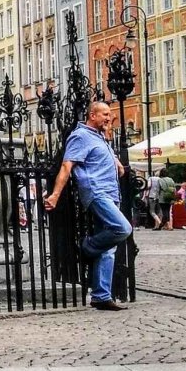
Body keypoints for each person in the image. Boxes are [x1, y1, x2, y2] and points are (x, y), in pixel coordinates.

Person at [43, 102, 130, 311]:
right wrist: (55, 194)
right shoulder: (80, 136)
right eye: (105, 114)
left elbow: (99, 155)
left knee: (109, 248)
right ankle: (87, 246)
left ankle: (101, 295)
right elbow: (67, 165)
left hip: (111, 192)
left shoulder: (98, 136)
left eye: (110, 114)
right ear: (92, 115)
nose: (109, 118)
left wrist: (116, 161)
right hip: (97, 192)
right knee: (123, 228)